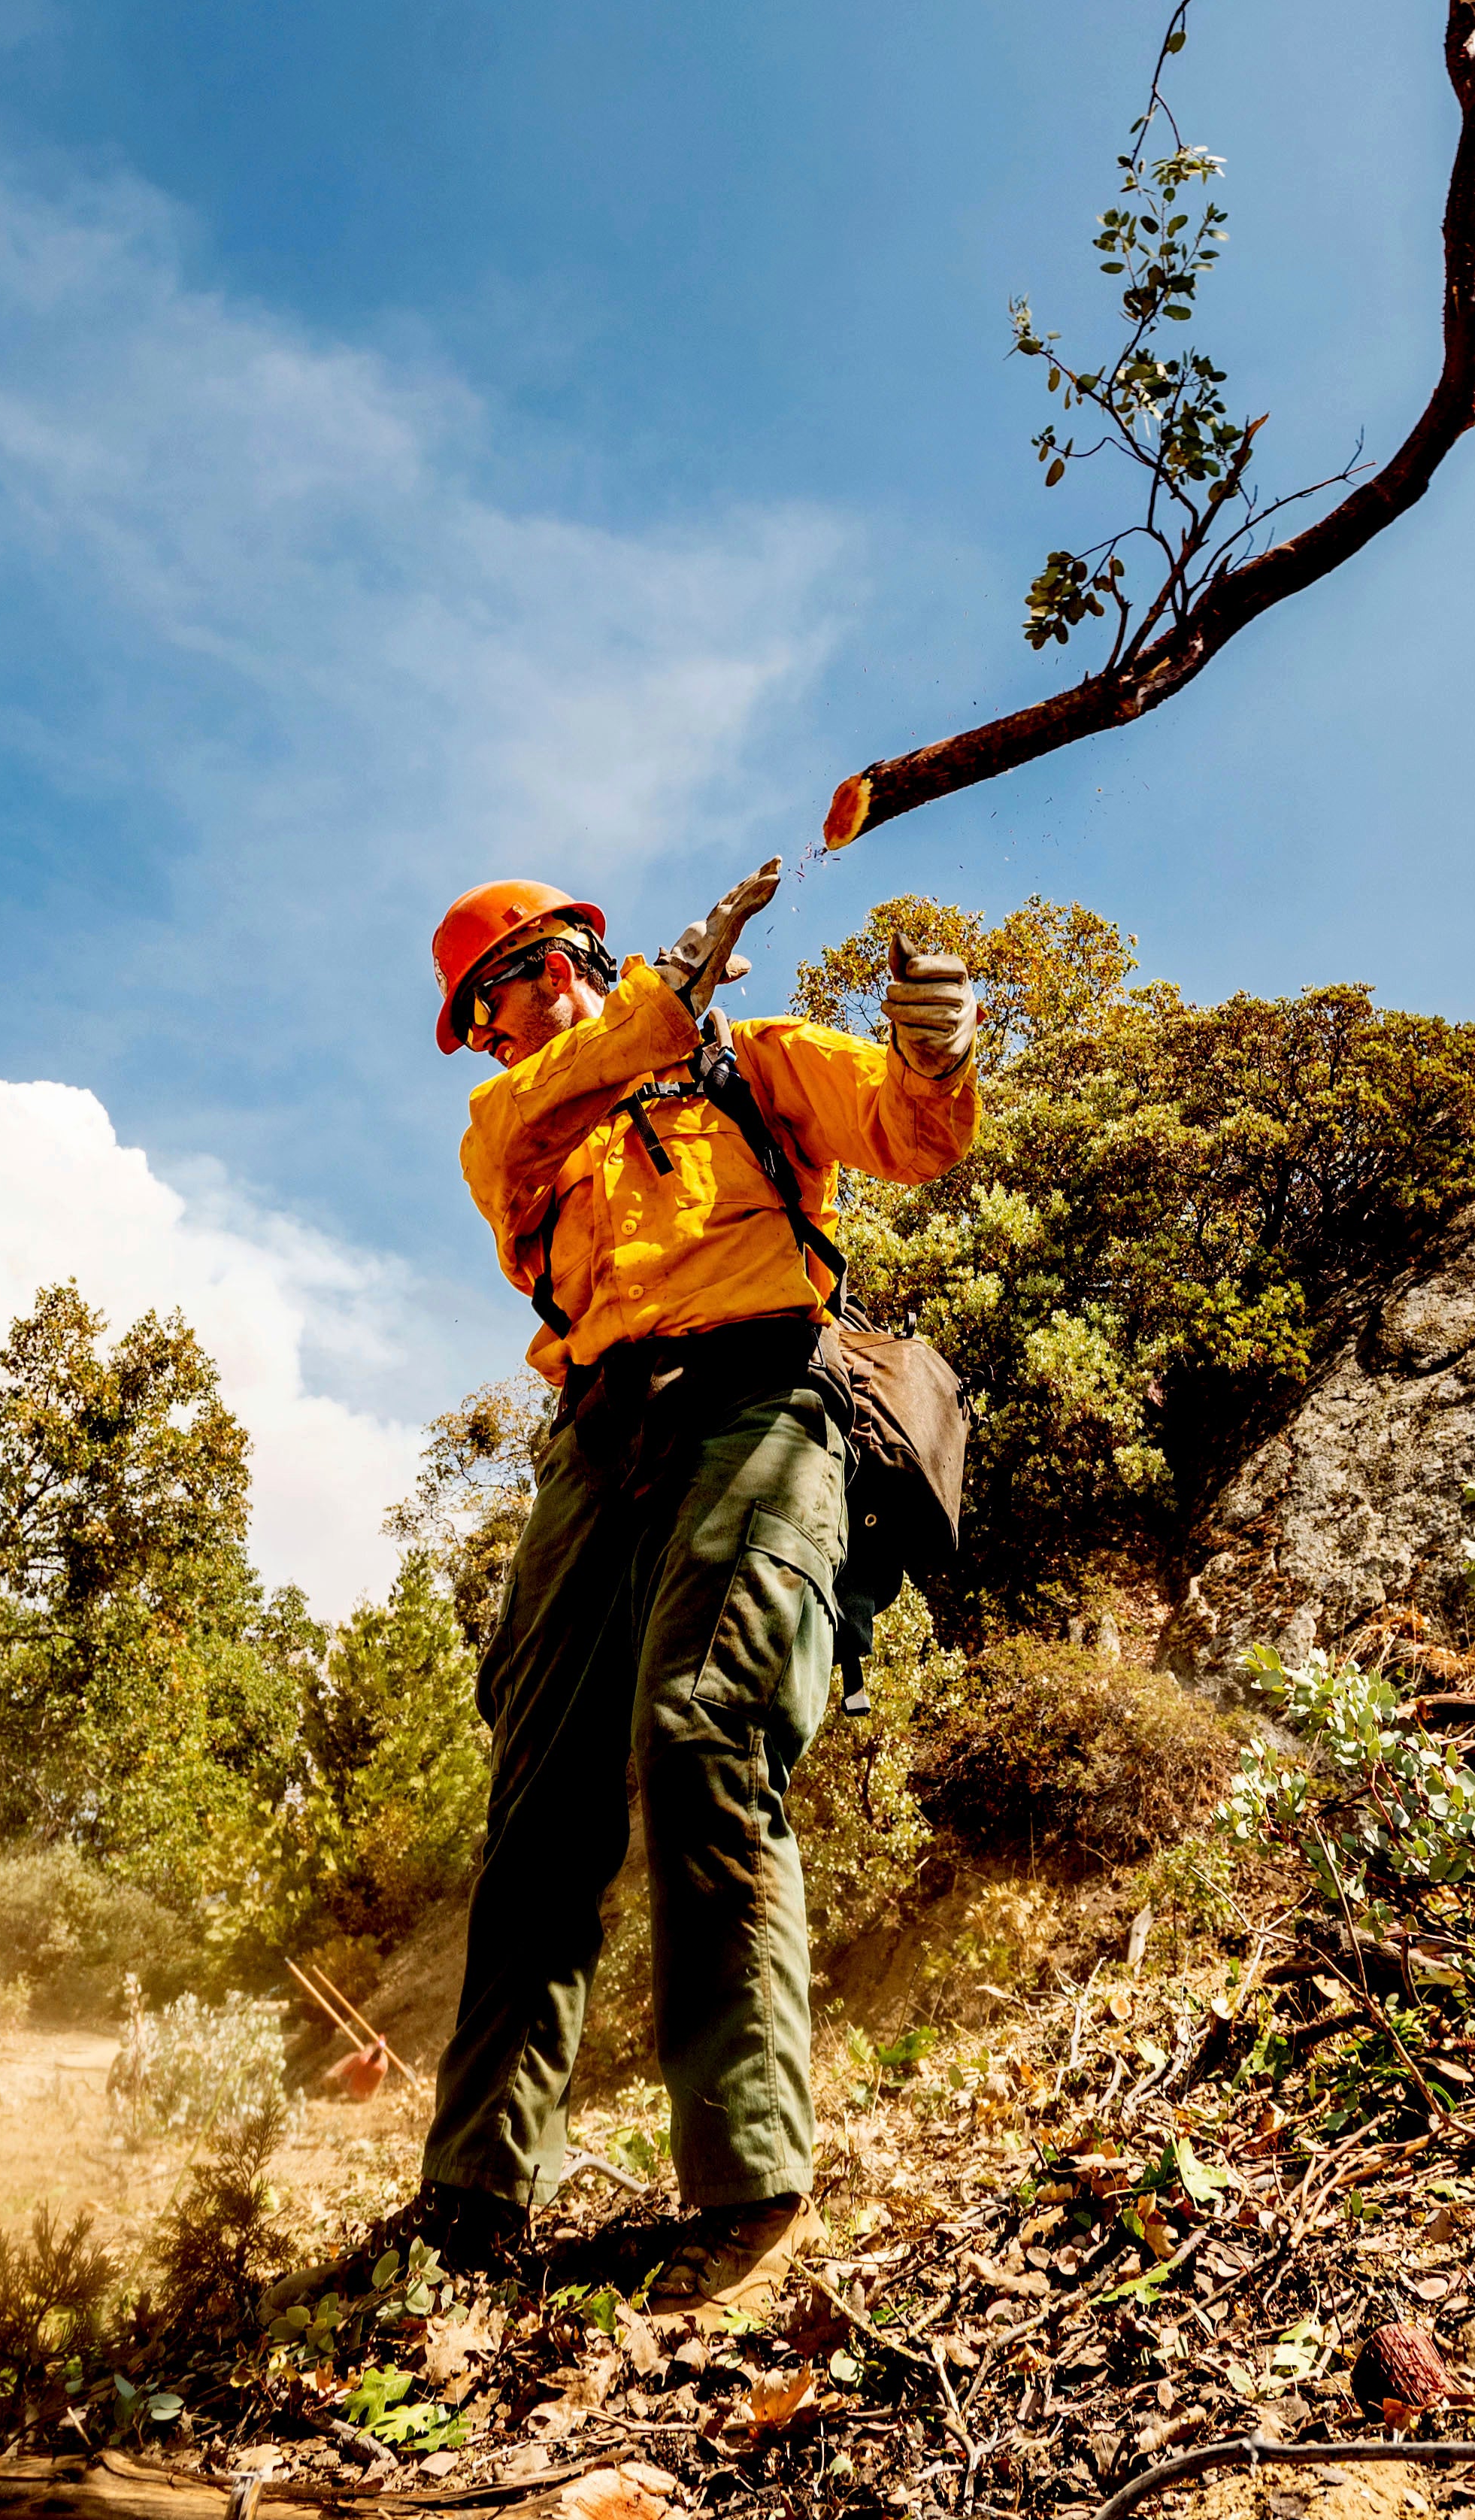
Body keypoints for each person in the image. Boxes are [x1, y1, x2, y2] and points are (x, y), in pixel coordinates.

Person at [383, 863, 981, 2311]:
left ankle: (746, 2181)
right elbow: (567, 1082)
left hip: (758, 1402)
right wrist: (665, 992)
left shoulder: (750, 1060)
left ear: (590, 950)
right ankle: (469, 2199)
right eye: (504, 986)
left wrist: (932, 1041)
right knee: (539, 1806)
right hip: (597, 1441)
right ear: (480, 1027)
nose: (541, 992)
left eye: (552, 960)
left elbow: (907, 1133)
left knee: (706, 1732)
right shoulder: (508, 1125)